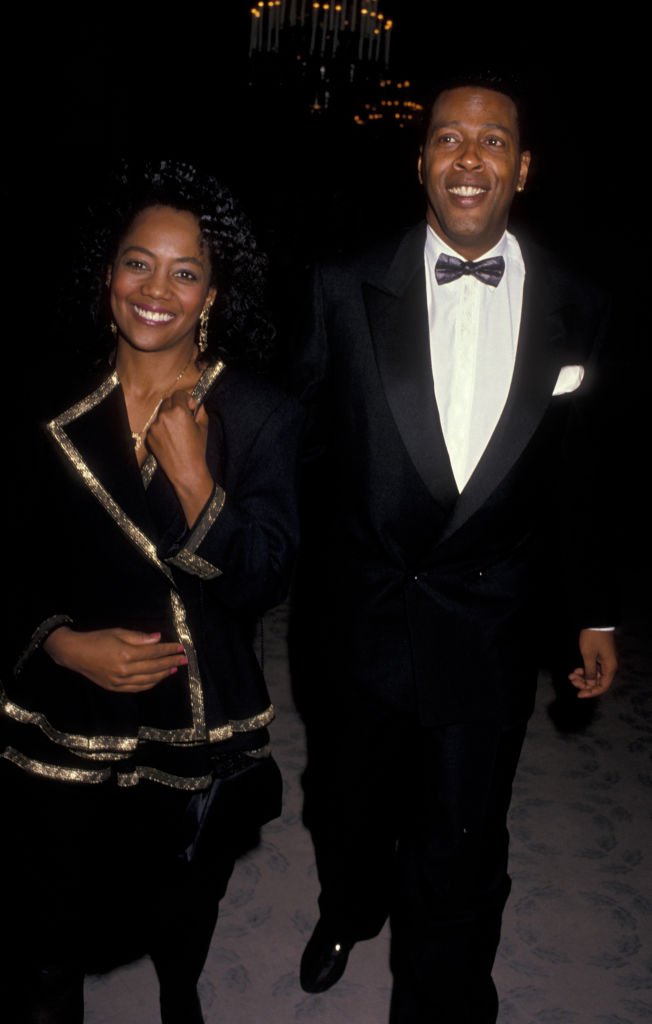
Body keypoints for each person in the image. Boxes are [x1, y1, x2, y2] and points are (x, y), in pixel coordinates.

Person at [291, 73, 618, 1023]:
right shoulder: (339, 284)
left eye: (491, 140)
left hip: (491, 621)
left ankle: (446, 999)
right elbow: (294, 445)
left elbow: (581, 474)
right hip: (360, 623)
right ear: (421, 161)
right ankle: (348, 908)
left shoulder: (580, 305)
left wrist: (590, 608)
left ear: (523, 166)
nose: (468, 156)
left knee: (464, 841)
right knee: (347, 810)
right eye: (447, 138)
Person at [0, 161, 303, 1023]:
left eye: (185, 271)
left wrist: (198, 485)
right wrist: (60, 640)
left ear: (212, 291)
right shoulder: (47, 403)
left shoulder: (259, 414)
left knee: (179, 906)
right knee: (47, 934)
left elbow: (267, 577)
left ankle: (180, 993)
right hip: (64, 707)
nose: (155, 290)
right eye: (138, 263)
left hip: (195, 713)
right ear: (107, 274)